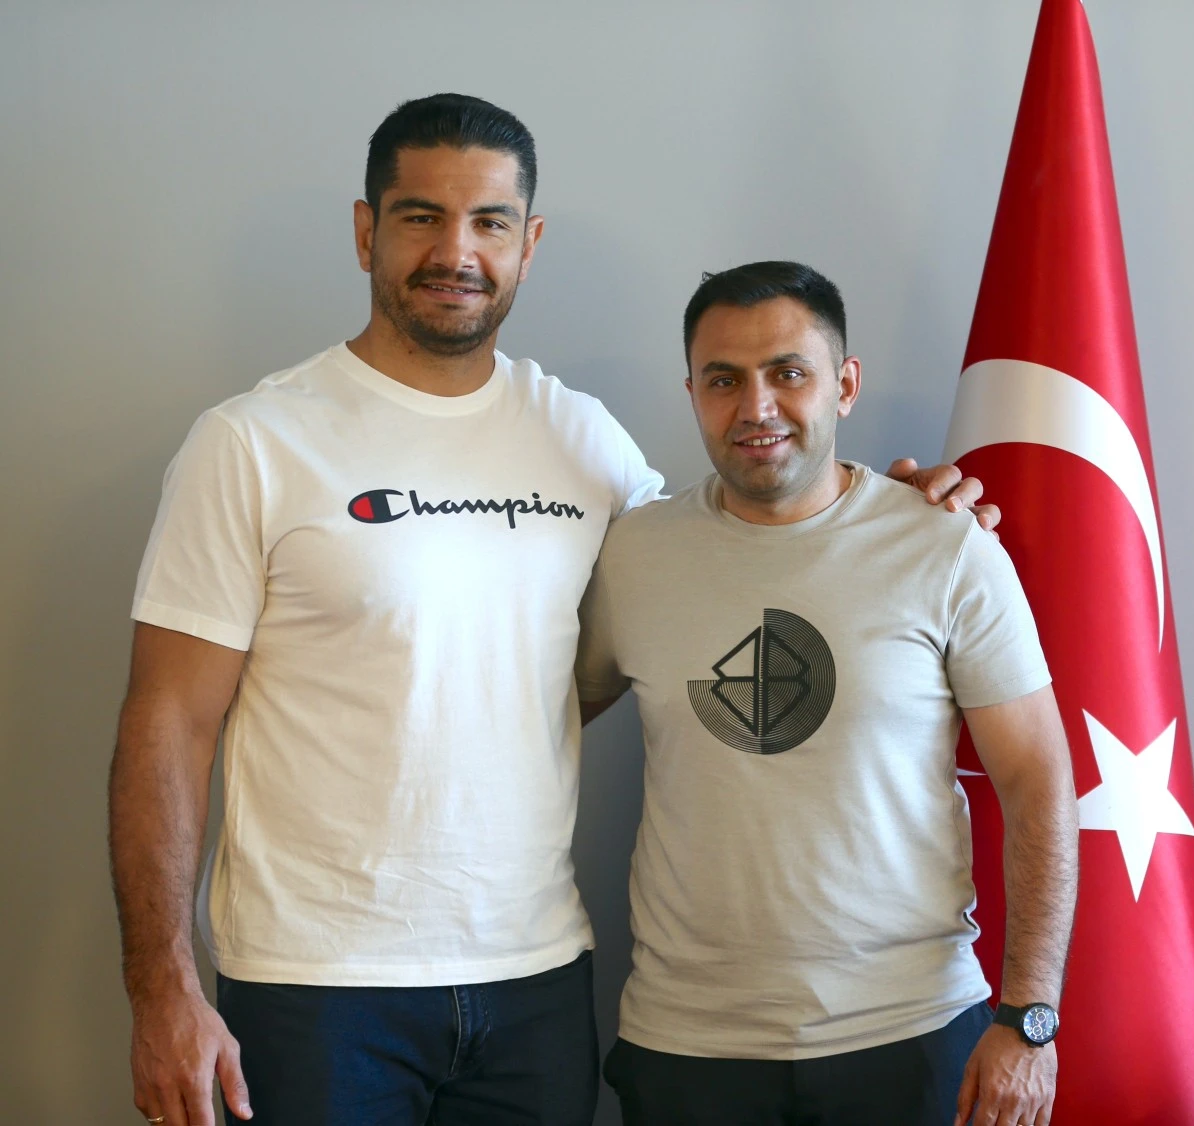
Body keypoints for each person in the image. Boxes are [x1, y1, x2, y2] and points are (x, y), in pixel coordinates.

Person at [108, 97, 998, 1126]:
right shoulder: (252, 443)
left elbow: (737, 554)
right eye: (420, 217)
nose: (456, 251)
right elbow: (167, 722)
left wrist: (889, 510)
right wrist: (163, 989)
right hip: (315, 983)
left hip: (534, 978)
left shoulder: (582, 439)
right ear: (365, 231)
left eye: (488, 222)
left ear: (527, 245)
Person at [575, 261, 1079, 1126]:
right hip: (687, 1042)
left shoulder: (945, 545)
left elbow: (1039, 781)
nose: (757, 406)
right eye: (724, 380)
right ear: (693, 393)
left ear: (844, 385)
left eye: (788, 373)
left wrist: (1029, 1019)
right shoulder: (635, 554)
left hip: (910, 1031)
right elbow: (539, 720)